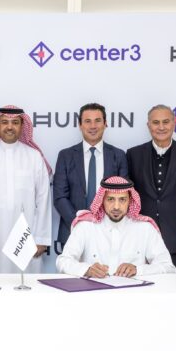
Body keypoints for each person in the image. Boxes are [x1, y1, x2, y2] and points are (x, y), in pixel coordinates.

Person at [0, 105, 51, 273]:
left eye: (15, 122)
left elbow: (44, 199)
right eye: (4, 122)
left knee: (26, 282)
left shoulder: (33, 156)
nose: (10, 127)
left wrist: (40, 237)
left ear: (22, 126)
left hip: (26, 233)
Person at [126, 104, 176, 272]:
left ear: (175, 123)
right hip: (140, 239)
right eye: (156, 122)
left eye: (166, 122)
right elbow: (127, 197)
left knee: (173, 291)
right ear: (148, 125)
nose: (161, 127)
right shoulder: (133, 154)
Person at [56, 176, 175, 277]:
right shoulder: (85, 227)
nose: (116, 206)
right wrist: (86, 270)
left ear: (130, 201)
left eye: (122, 200)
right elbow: (63, 261)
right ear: (102, 200)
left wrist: (138, 270)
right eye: (110, 199)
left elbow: (168, 267)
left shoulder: (145, 228)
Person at [53, 102, 128, 253]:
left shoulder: (118, 155)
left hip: (110, 232)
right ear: (80, 125)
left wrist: (105, 223)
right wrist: (79, 222)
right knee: (72, 276)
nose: (93, 126)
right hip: (73, 230)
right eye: (87, 121)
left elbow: (123, 195)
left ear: (105, 123)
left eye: (98, 120)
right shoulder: (65, 156)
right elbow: (60, 197)